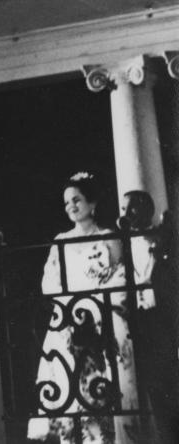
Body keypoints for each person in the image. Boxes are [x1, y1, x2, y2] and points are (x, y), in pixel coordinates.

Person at [27, 172, 139, 444]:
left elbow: (119, 280)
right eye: (66, 203)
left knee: (101, 395)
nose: (71, 207)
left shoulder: (108, 237)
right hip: (67, 322)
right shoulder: (61, 240)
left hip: (102, 322)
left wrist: (94, 314)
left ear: (92, 203)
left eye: (76, 200)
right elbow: (50, 283)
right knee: (68, 393)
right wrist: (69, 316)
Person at [118, 190, 178, 442]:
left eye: (132, 208)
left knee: (170, 381)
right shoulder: (125, 242)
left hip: (164, 316)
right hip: (142, 320)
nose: (126, 214)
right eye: (123, 209)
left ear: (146, 209)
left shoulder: (163, 238)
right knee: (153, 386)